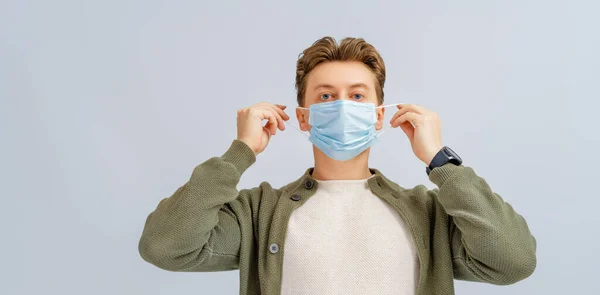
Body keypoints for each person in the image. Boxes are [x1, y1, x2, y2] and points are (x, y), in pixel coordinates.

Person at [138, 36, 537, 295]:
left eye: (358, 95)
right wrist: (240, 151)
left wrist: (440, 162)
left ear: (379, 116)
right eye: (326, 95)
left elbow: (514, 261)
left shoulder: (428, 211)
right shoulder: (258, 214)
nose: (343, 106)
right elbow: (164, 248)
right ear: (304, 116)